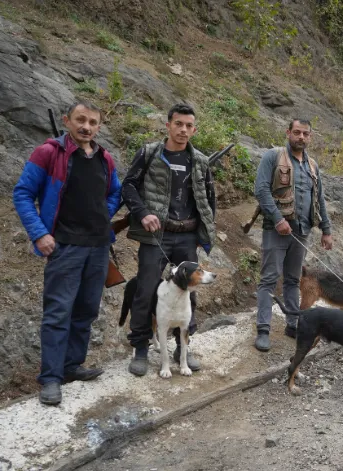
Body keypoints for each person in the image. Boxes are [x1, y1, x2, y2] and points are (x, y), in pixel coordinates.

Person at [13, 101, 122, 405]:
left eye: (92, 122)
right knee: (58, 313)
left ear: (99, 126)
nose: (86, 127)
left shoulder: (105, 158)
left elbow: (115, 192)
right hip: (66, 247)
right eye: (80, 120)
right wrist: (40, 233)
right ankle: (50, 378)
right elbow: (22, 193)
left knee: (86, 311)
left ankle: (72, 367)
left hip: (99, 247)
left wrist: (104, 213)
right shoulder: (48, 153)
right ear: (67, 121)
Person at [122, 103, 217, 376]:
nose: (183, 130)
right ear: (168, 125)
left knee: (191, 291)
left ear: (194, 129)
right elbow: (128, 186)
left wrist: (203, 234)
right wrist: (142, 214)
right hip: (155, 235)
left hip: (186, 235)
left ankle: (181, 348)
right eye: (178, 124)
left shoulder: (199, 160)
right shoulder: (150, 153)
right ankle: (140, 347)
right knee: (145, 290)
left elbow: (209, 200)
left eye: (189, 125)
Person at [253, 119, 333, 352]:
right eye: (296, 132)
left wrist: (326, 230)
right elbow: (260, 189)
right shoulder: (273, 157)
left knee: (292, 279)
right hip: (275, 230)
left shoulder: (313, 166)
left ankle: (292, 324)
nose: (301, 137)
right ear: (288, 133)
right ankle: (263, 329)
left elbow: (319, 199)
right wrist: (277, 219)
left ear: (310, 136)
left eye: (305, 134)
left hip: (302, 230)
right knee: (269, 279)